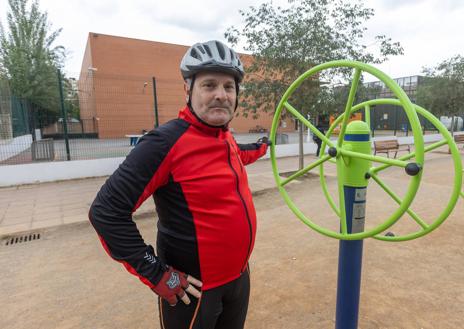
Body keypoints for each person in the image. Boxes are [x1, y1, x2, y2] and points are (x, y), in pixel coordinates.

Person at [89, 40, 270, 329]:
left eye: (229, 87)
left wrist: (263, 147)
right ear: (188, 91)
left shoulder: (225, 140)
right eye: (209, 85)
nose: (221, 95)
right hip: (193, 292)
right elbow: (106, 211)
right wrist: (158, 274)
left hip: (238, 280)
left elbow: (241, 152)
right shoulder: (165, 143)